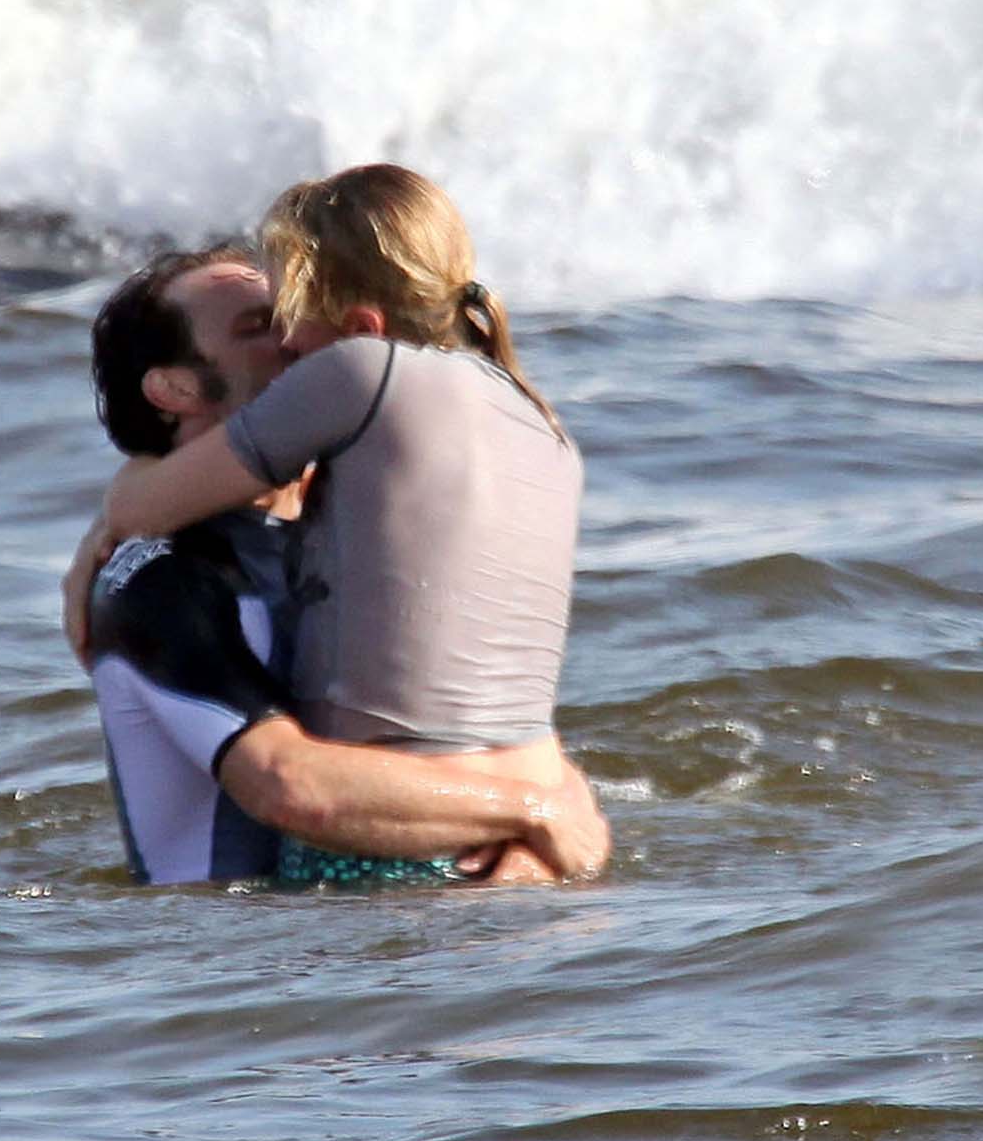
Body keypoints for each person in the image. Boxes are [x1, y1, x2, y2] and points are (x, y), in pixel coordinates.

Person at [96, 167, 607, 887]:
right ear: (175, 387)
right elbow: (288, 780)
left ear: (358, 329)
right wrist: (544, 811)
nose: (286, 343)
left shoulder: (340, 504)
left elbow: (310, 782)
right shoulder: (162, 579)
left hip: (386, 878)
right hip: (496, 864)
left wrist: (535, 820)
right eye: (259, 325)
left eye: (291, 314)